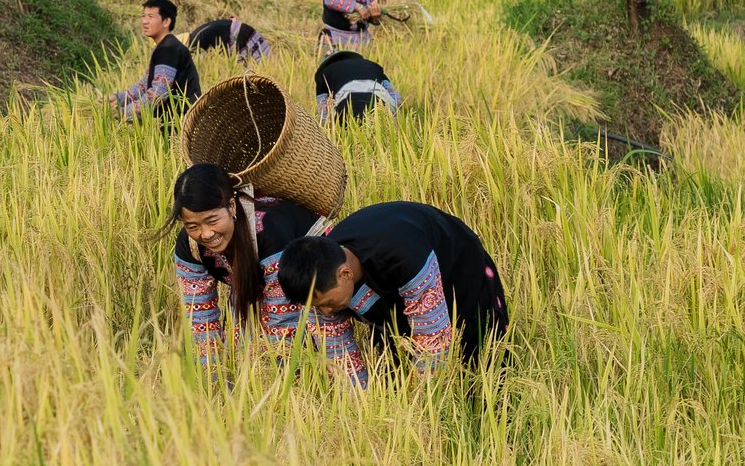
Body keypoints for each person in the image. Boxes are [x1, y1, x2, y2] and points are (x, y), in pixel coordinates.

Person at [279, 201, 508, 385]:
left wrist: (424, 405)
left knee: (479, 353)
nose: (326, 311)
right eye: (317, 307)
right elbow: (339, 355)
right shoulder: (317, 282)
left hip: (458, 268)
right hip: (391, 280)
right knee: (393, 352)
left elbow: (432, 343)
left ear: (345, 273)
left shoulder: (405, 259)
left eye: (327, 303)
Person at [167, 163, 359, 375]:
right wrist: (211, 375)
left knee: (331, 350)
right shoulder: (190, 246)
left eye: (212, 221)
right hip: (256, 284)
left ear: (231, 206)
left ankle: (355, 398)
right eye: (192, 226)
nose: (205, 234)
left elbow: (282, 319)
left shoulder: (267, 229)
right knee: (244, 349)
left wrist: (271, 376)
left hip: (316, 283)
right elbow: (199, 316)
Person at [112, 0, 200, 120]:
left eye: (150, 16)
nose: (144, 21)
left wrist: (123, 113)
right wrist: (117, 99)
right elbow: (144, 84)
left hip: (181, 121)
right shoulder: (164, 47)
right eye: (143, 16)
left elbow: (158, 93)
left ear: (166, 22)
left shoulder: (168, 49)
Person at [314, 49, 399, 122]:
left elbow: (323, 110)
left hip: (348, 102)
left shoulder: (324, 74)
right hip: (381, 99)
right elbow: (395, 97)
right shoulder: (372, 65)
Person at [187, 16, 270, 64]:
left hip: (240, 35)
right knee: (261, 61)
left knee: (258, 65)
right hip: (242, 30)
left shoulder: (194, 42)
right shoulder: (196, 34)